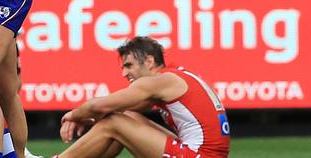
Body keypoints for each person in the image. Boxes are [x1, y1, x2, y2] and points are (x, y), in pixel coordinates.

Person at [53, 37, 230, 158]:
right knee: (127, 118)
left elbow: (99, 106)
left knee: (115, 122)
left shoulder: (159, 81)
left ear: (149, 62)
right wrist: (85, 117)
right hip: (205, 153)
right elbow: (119, 109)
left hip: (198, 155)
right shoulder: (173, 77)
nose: (124, 73)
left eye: (129, 65)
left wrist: (73, 115)